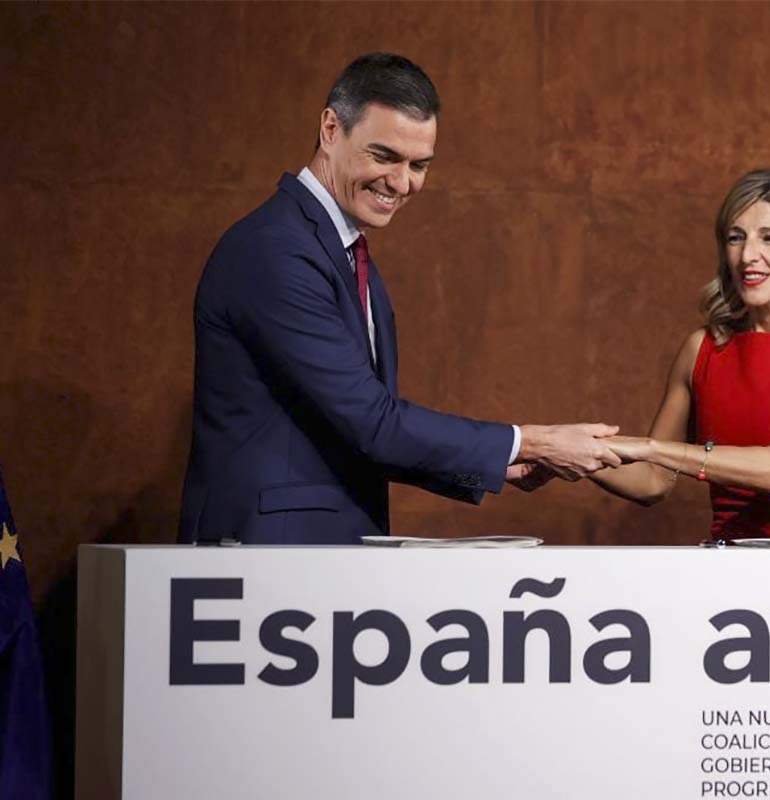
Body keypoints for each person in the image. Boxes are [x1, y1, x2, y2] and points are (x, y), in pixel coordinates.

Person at [179, 53, 618, 545]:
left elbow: (354, 433)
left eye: (419, 165)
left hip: (319, 558)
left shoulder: (342, 251)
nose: (402, 183)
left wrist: (500, 465)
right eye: (384, 156)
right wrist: (530, 441)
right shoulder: (275, 250)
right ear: (330, 129)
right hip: (263, 561)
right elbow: (372, 422)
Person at [591, 169, 770, 539]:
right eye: (736, 237)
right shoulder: (702, 348)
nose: (748, 255)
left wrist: (653, 448)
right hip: (730, 576)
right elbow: (652, 481)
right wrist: (569, 454)